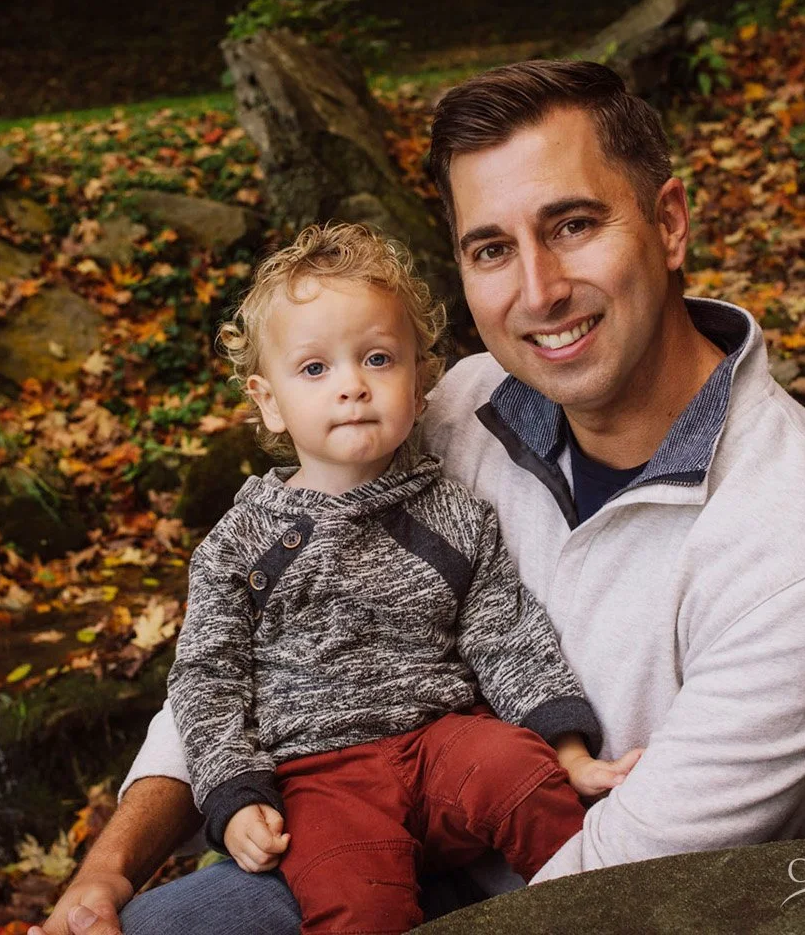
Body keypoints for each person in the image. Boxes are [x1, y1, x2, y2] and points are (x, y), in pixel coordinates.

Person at [32, 60, 805, 935]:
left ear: (669, 224)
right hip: (397, 833)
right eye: (492, 249)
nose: (539, 290)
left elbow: (614, 897)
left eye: (572, 224)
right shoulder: (452, 410)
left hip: (647, 904)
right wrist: (110, 870)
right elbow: (247, 655)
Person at [168, 222, 634, 934]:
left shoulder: (456, 516)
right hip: (320, 777)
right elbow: (207, 679)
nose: (353, 386)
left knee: (521, 775)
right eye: (315, 369)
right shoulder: (243, 544)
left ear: (419, 387)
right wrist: (233, 796)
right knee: (360, 906)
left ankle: (600, 918)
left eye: (378, 359)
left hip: (443, 742)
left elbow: (505, 634)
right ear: (268, 401)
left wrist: (566, 749)